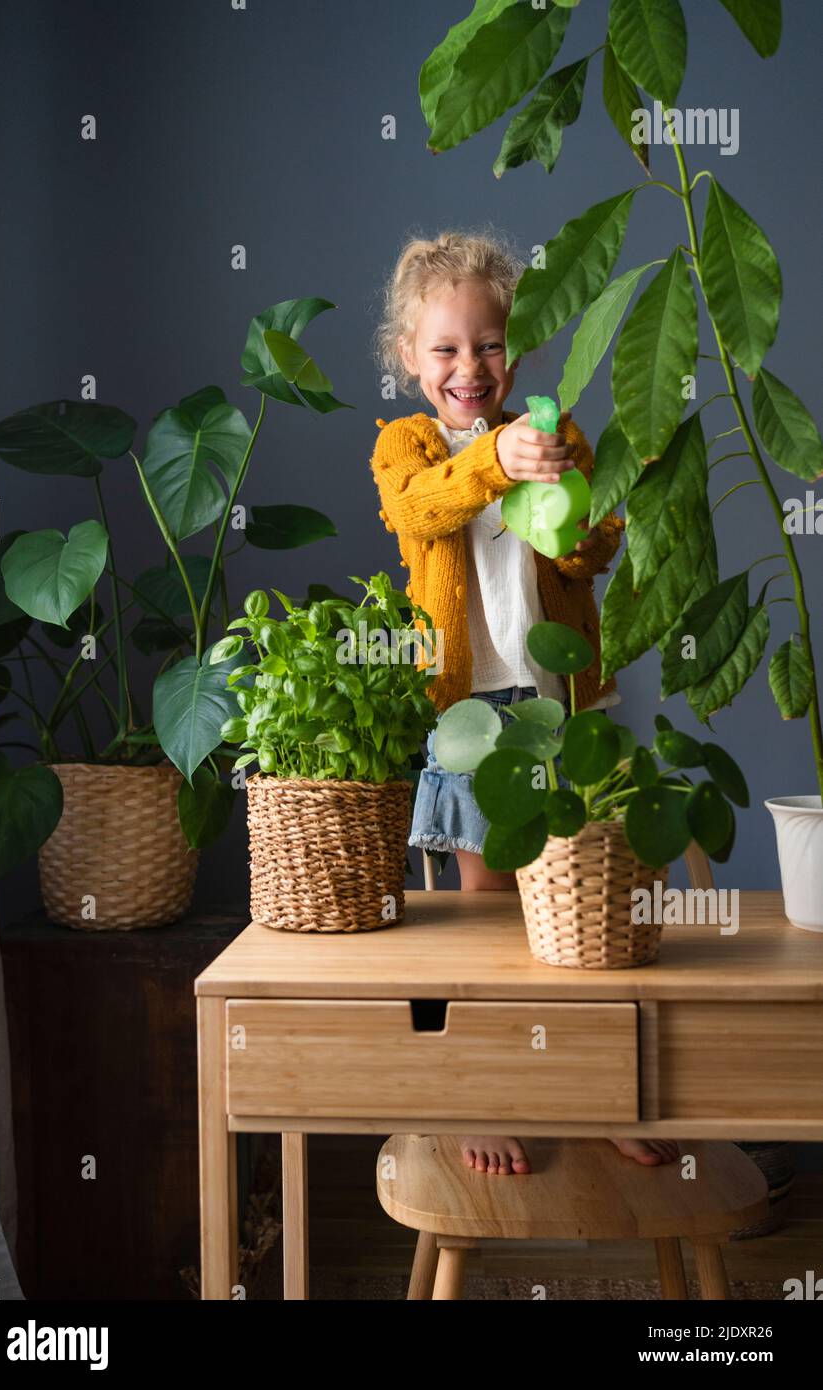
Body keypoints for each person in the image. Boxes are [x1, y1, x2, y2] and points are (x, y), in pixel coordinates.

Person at [370, 229, 679, 1174]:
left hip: (560, 702)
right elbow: (420, 509)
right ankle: (484, 1095)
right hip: (467, 713)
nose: (472, 366)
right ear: (409, 360)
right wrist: (499, 459)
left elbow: (597, 550)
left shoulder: (558, 429)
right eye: (447, 349)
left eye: (492, 344)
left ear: (520, 347)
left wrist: (569, 488)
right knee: (489, 919)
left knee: (583, 916)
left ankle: (592, 1098)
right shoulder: (408, 444)